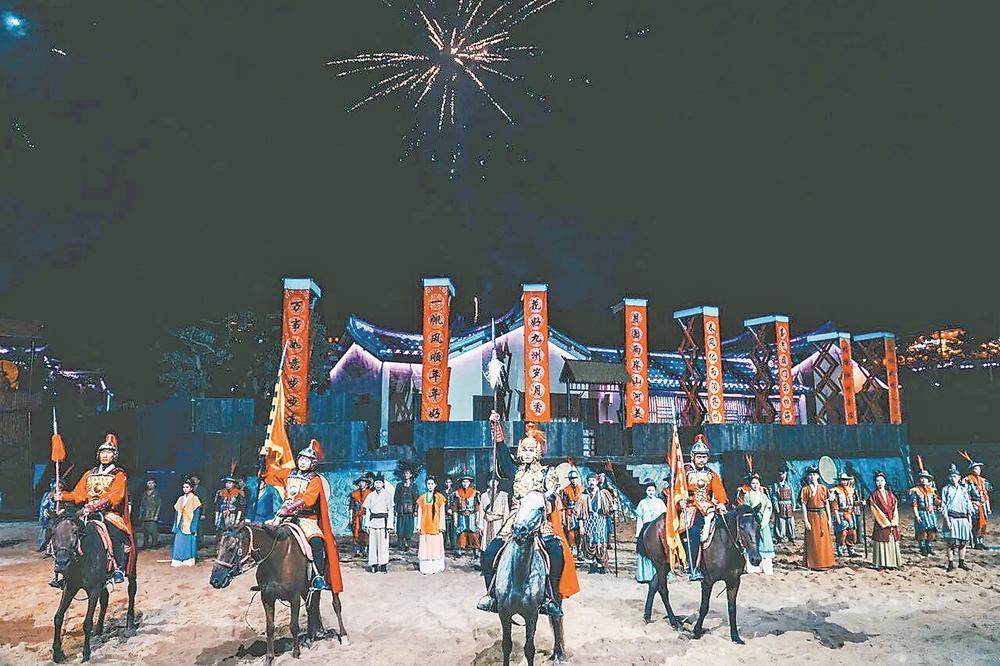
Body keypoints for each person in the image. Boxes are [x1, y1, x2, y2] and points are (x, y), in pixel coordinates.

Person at [478, 413, 580, 617]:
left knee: (556, 553)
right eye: (524, 450)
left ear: (537, 452)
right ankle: (492, 596)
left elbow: (552, 498)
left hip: (539, 520)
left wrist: (545, 505)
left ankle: (550, 598)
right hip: (515, 519)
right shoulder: (515, 471)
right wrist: (495, 426)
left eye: (531, 450)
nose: (526, 453)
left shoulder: (547, 473)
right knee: (488, 555)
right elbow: (503, 454)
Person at [259, 438, 343, 591]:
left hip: (306, 519)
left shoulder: (315, 480)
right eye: (301, 459)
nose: (303, 462)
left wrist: (289, 509)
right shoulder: (289, 473)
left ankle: (318, 577)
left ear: (313, 463)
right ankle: (265, 574)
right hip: (284, 516)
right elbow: (270, 474)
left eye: (307, 460)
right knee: (266, 535)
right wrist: (263, 459)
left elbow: (308, 499)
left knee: (317, 542)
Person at [53, 434, 133, 585]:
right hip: (86, 512)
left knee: (115, 533)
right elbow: (78, 494)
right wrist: (62, 496)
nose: (105, 455)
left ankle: (118, 568)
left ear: (114, 455)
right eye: (103, 452)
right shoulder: (89, 474)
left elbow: (115, 497)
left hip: (108, 513)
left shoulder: (119, 474)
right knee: (68, 531)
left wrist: (94, 506)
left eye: (108, 452)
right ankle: (67, 568)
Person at [679, 433, 728, 581]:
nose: (702, 460)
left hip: (708, 507)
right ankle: (693, 567)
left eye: (704, 457)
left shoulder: (711, 474)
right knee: (694, 533)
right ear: (693, 456)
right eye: (699, 457)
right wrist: (679, 500)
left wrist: (721, 502)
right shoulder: (685, 471)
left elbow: (719, 491)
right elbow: (677, 488)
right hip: (690, 507)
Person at [800, 466, 835, 569]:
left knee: (823, 539)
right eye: (810, 475)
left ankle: (825, 562)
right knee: (813, 539)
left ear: (818, 476)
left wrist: (829, 519)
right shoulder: (805, 489)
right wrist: (806, 521)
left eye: (814, 475)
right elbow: (803, 506)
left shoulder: (823, 488)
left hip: (822, 516)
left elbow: (827, 504)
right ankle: (813, 563)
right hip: (811, 516)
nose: (812, 477)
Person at [941, 464, 974, 571]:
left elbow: (968, 504)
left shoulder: (963, 490)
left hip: (963, 518)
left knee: (963, 542)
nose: (953, 478)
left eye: (955, 476)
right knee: (951, 542)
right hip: (951, 517)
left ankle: (961, 562)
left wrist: (969, 520)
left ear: (959, 477)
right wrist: (947, 520)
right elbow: (944, 505)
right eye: (951, 476)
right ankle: (950, 563)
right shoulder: (946, 489)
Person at [741, 473, 776, 574]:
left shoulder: (763, 496)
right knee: (752, 540)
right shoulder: (747, 495)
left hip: (763, 521)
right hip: (752, 522)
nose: (755, 485)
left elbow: (768, 506)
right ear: (750, 484)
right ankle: (753, 567)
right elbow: (746, 509)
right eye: (753, 483)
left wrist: (765, 517)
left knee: (765, 542)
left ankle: (766, 567)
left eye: (757, 483)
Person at [868, 471, 903, 570]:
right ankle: (881, 563)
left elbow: (895, 507)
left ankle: (892, 563)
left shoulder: (890, 495)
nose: (880, 483)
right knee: (881, 541)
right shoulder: (874, 495)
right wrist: (885, 521)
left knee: (892, 540)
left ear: (885, 482)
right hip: (881, 522)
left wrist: (894, 520)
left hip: (891, 520)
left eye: (881, 480)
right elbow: (875, 509)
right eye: (877, 481)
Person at [580, 473, 614, 573]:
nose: (591, 482)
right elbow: (580, 513)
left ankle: (601, 565)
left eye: (593, 480)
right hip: (588, 522)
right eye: (589, 480)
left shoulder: (603, 494)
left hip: (600, 521)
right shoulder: (584, 496)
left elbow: (608, 510)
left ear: (597, 481)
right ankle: (592, 565)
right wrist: (581, 526)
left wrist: (612, 509)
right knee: (589, 543)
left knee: (601, 543)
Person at [634, 479, 667, 584]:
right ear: (646, 491)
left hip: (658, 529)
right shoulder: (642, 503)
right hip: (646, 528)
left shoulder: (660, 502)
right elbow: (639, 519)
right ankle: (645, 575)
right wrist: (638, 533)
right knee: (644, 551)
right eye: (649, 490)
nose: (651, 492)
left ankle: (661, 573)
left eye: (652, 490)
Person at [362, 473, 394, 573]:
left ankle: (383, 564)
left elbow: (390, 510)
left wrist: (389, 525)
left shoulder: (387, 495)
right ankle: (374, 564)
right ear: (374, 484)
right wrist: (367, 524)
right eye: (376, 482)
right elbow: (368, 511)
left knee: (383, 545)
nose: (378, 485)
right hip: (373, 522)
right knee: (373, 545)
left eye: (380, 482)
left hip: (383, 523)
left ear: (383, 484)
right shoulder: (371, 495)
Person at [416, 476, 447, 574]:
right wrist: (418, 526)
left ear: (435, 485)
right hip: (425, 526)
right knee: (425, 547)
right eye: (428, 484)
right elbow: (419, 512)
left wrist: (442, 526)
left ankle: (436, 567)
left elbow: (442, 513)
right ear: (426, 485)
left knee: (435, 546)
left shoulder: (440, 497)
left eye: (432, 484)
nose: (430, 486)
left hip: (436, 526)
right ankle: (426, 567)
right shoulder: (422, 498)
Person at [961, 453, 991, 549]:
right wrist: (969, 505)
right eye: (976, 469)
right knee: (975, 523)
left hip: (983, 505)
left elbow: (986, 494)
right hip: (974, 504)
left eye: (979, 469)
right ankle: (975, 541)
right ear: (972, 470)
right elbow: (966, 494)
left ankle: (981, 541)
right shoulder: (968, 480)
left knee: (983, 523)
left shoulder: (983, 481)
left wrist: (988, 507)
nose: (978, 470)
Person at [909, 464, 940, 557]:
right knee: (922, 532)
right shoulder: (916, 490)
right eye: (922, 478)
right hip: (921, 513)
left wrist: (940, 503)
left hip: (931, 513)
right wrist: (917, 515)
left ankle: (929, 547)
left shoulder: (932, 490)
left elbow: (935, 501)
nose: (923, 480)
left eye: (925, 478)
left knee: (931, 531)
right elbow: (914, 504)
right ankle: (922, 548)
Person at [171, 479, 202, 567]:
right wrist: (175, 525)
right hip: (180, 523)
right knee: (179, 542)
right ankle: (177, 559)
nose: (185, 489)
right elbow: (177, 512)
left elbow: (196, 514)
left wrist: (193, 527)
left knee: (188, 542)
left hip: (189, 523)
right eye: (184, 487)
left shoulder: (194, 499)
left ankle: (188, 559)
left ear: (191, 488)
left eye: (187, 487)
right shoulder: (180, 498)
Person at [830, 471, 860, 557]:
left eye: (846, 480)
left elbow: (854, 502)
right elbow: (834, 505)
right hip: (841, 513)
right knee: (841, 533)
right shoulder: (836, 490)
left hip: (850, 513)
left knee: (851, 532)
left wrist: (860, 503)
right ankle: (840, 549)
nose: (844, 482)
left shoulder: (851, 490)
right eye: (842, 480)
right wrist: (837, 516)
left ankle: (851, 550)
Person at [394, 465, 420, 552]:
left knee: (409, 528)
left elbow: (416, 500)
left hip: (410, 510)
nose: (406, 475)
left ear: (411, 475)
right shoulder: (399, 486)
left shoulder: (414, 486)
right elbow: (396, 498)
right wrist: (396, 509)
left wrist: (415, 510)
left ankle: (407, 544)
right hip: (401, 510)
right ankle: (400, 543)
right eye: (405, 473)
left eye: (408, 473)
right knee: (400, 527)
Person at [454, 474, 481, 557]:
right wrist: (455, 519)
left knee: (473, 532)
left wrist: (477, 518)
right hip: (461, 516)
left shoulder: (474, 493)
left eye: (467, 482)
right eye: (463, 482)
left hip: (471, 516)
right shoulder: (457, 493)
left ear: (469, 483)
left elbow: (477, 507)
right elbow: (455, 508)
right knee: (461, 532)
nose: (465, 483)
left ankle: (475, 550)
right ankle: (460, 549)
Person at [480, 477, 510, 546]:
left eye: (495, 481)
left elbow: (506, 510)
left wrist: (505, 526)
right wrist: (481, 526)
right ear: (488, 483)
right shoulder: (484, 495)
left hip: (498, 522)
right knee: (486, 543)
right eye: (491, 481)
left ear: (498, 482)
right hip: (487, 521)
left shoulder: (503, 495)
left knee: (498, 542)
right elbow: (481, 511)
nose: (493, 482)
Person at [559, 470, 583, 555]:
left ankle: (579, 549)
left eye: (575, 478)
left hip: (579, 512)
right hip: (569, 513)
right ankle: (571, 549)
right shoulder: (565, 490)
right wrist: (563, 516)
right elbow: (563, 504)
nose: (573, 480)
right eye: (571, 478)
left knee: (579, 532)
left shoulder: (582, 489)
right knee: (570, 531)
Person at [771, 467, 797, 544]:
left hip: (788, 505)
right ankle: (780, 537)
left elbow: (792, 496)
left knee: (790, 521)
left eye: (784, 474)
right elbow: (774, 497)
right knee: (780, 521)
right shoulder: (775, 485)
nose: (782, 476)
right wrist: (776, 507)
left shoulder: (789, 484)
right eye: (780, 474)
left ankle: (791, 536)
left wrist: (794, 505)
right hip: (780, 505)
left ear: (786, 474)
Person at [349, 476, 371, 557]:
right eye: (360, 482)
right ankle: (357, 550)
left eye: (363, 482)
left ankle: (365, 550)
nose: (361, 484)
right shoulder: (354, 493)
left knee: (365, 533)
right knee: (356, 532)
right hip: (357, 516)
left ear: (366, 484)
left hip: (366, 515)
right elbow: (351, 506)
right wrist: (350, 517)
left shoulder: (370, 493)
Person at [137, 478, 162, 549]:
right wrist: (140, 514)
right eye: (149, 483)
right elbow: (142, 504)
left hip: (152, 514)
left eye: (152, 483)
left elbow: (159, 505)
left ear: (155, 484)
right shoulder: (145, 493)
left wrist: (156, 515)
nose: (150, 485)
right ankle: (145, 544)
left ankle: (155, 544)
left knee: (153, 530)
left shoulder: (156, 493)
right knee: (145, 531)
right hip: (145, 515)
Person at [190, 474, 210, 551]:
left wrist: (203, 513)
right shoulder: (189, 489)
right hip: (190, 511)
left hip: (199, 511)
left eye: (194, 480)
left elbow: (204, 502)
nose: (193, 481)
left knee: (199, 528)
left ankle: (200, 543)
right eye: (192, 480)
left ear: (198, 481)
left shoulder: (202, 490)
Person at [38, 480, 57, 553]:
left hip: (55, 515)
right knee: (45, 529)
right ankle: (44, 545)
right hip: (47, 514)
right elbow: (43, 505)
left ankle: (51, 547)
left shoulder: (61, 494)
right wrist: (49, 498)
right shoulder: (47, 494)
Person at [442, 475, 457, 552]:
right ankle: (444, 546)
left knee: (452, 530)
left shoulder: (454, 492)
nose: (448, 483)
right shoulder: (442, 492)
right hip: (444, 513)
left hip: (452, 513)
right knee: (445, 530)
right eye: (447, 482)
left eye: (449, 482)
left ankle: (453, 546)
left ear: (451, 483)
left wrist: (452, 509)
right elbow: (442, 503)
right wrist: (446, 509)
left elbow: (455, 502)